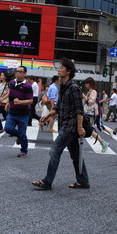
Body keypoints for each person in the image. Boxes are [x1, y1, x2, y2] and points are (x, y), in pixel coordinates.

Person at [32, 58, 89, 190]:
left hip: (70, 126)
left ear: (68, 71)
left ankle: (47, 182)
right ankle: (83, 181)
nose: (59, 69)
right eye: (59, 67)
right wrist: (47, 114)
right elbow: (59, 106)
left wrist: (80, 127)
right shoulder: (62, 86)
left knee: (54, 151)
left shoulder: (74, 87)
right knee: (75, 155)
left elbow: (79, 109)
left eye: (62, 67)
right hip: (64, 124)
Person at [5, 66, 33, 157]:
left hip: (23, 114)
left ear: (24, 74)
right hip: (12, 112)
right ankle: (19, 136)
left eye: (20, 72)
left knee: (23, 134)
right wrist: (8, 103)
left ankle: (24, 151)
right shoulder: (12, 83)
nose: (17, 73)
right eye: (16, 71)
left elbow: (30, 100)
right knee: (7, 129)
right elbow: (11, 95)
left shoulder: (28, 86)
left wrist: (20, 102)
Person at [83, 77, 110, 152]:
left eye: (86, 83)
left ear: (90, 84)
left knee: (89, 130)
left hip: (90, 113)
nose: (86, 85)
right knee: (88, 129)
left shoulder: (93, 91)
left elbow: (90, 101)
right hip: (87, 112)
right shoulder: (90, 91)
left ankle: (103, 143)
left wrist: (84, 96)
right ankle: (103, 143)